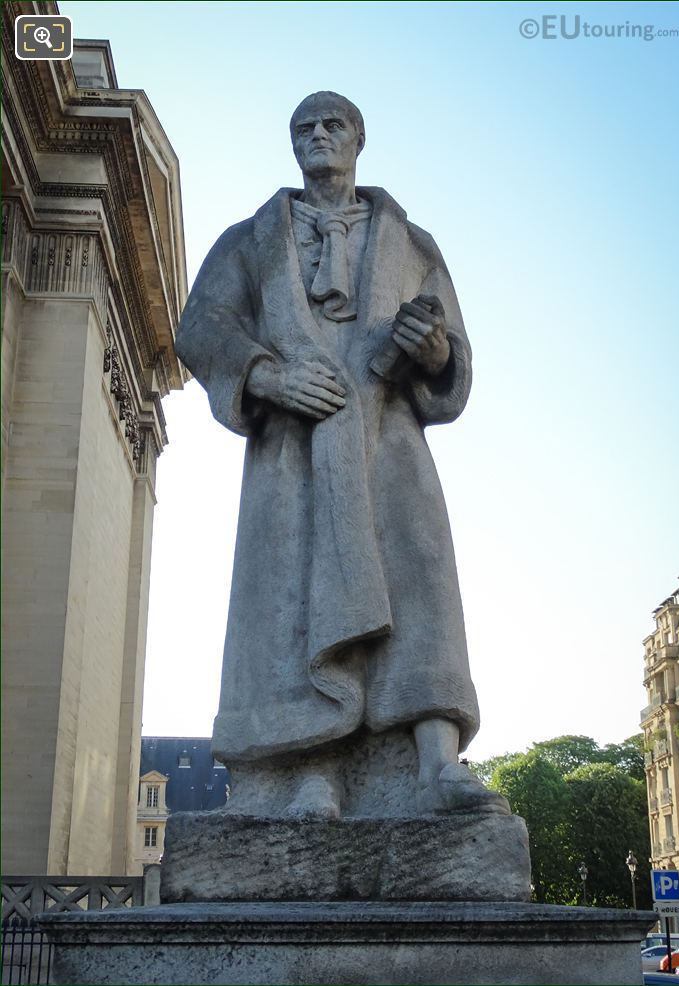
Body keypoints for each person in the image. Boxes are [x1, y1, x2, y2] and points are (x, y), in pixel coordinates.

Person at [175, 91, 508, 818]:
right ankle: (309, 771)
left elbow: (453, 350)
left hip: (388, 442)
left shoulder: (412, 244)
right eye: (304, 128)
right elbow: (201, 326)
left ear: (360, 138)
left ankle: (435, 760)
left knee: (416, 579)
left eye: (332, 126)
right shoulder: (250, 239)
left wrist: (434, 349)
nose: (318, 136)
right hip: (294, 446)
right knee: (291, 602)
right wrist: (267, 373)